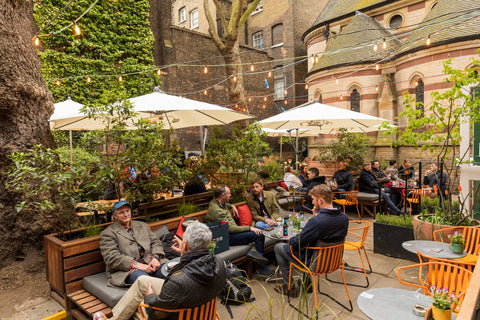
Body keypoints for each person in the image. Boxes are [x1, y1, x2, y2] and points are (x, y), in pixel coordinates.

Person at [97, 221, 226, 320]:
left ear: (185, 244)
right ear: (208, 243)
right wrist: (184, 254)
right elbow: (194, 268)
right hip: (202, 309)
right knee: (142, 280)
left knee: (140, 305)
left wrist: (149, 296)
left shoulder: (178, 281)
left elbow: (157, 303)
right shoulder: (219, 262)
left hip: (177, 314)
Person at [273, 184, 349, 297]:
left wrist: (292, 239)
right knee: (308, 248)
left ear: (321, 200)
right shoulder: (344, 217)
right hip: (334, 261)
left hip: (315, 264)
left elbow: (297, 242)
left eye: (313, 200)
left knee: (279, 247)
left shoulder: (317, 221)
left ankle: (290, 286)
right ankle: (306, 284)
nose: (312, 202)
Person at [99, 201, 168, 287]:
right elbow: (111, 257)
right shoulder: (108, 233)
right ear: (114, 216)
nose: (126, 214)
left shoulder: (143, 226)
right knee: (147, 283)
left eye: (127, 211)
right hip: (127, 270)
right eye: (121, 212)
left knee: (173, 274)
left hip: (150, 263)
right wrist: (137, 265)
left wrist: (155, 258)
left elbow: (156, 242)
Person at [206, 185, 269, 266]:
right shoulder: (217, 211)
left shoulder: (215, 202)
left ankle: (256, 257)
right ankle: (260, 266)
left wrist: (231, 205)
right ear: (223, 196)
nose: (230, 195)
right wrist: (250, 228)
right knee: (259, 235)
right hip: (226, 238)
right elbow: (230, 229)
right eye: (229, 193)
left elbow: (223, 204)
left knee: (258, 233)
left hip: (231, 233)